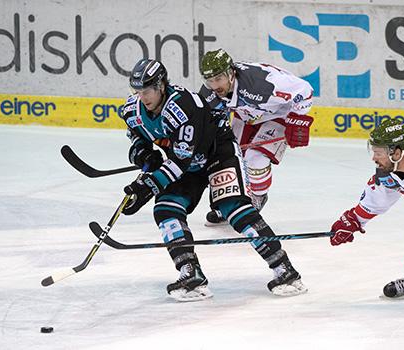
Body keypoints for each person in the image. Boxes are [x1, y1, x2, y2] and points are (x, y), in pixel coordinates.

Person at [121, 58, 307, 301]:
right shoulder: (131, 109)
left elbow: (180, 162)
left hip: (217, 154)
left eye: (147, 90)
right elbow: (138, 136)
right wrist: (143, 154)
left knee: (235, 209)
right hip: (186, 165)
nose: (142, 97)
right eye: (138, 91)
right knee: (166, 210)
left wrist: (148, 186)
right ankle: (190, 273)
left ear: (161, 85)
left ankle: (285, 270)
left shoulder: (184, 106)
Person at [330, 118, 404, 314]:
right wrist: (352, 221)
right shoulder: (387, 173)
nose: (374, 158)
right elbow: (375, 201)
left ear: (396, 152)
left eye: (378, 153)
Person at [199, 49, 314, 225]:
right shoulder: (209, 92)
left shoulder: (262, 84)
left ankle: (257, 198)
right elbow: (206, 120)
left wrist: (297, 120)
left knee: (255, 158)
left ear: (231, 73)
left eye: (218, 79)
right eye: (210, 80)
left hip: (277, 114)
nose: (215, 86)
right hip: (245, 114)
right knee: (228, 156)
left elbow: (304, 90)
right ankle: (230, 203)